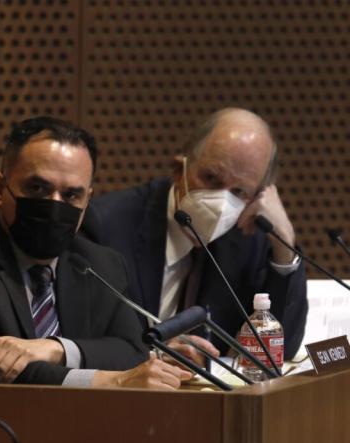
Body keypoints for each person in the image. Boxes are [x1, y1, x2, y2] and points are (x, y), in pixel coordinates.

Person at [0, 116, 191, 389]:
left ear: (87, 200)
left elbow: (132, 351)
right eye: (38, 188)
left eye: (71, 195)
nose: (54, 205)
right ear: (0, 188)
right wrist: (111, 381)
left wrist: (56, 348)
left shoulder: (102, 264)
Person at [85, 108, 308, 362]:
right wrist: (152, 356)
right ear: (179, 170)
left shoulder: (250, 239)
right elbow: (84, 337)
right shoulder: (107, 226)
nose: (222, 201)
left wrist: (284, 246)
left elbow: (281, 350)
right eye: (211, 178)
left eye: (239, 191)